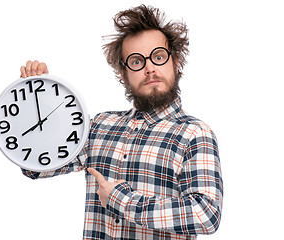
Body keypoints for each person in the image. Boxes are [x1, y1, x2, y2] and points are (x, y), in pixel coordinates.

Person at [20, 4, 223, 240]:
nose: (149, 68)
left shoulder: (195, 134)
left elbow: (206, 215)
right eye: (136, 61)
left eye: (158, 57)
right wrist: (37, 97)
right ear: (123, 73)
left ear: (175, 63)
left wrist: (122, 201)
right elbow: (38, 166)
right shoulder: (99, 126)